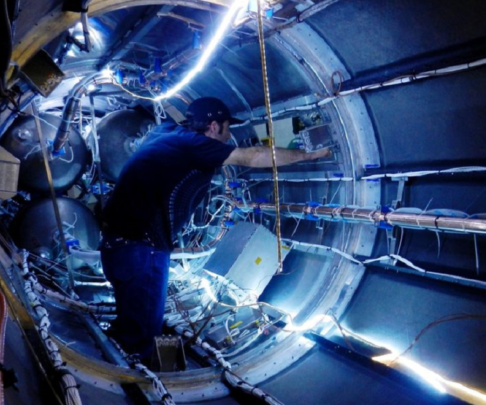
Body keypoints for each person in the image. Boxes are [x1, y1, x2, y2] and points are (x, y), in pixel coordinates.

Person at [100, 97, 329, 361]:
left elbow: (147, 110)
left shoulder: (166, 132)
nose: (229, 134)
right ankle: (136, 382)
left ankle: (119, 350)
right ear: (213, 126)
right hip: (142, 249)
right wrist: (311, 155)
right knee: (142, 334)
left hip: (117, 245)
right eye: (227, 127)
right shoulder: (195, 145)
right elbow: (253, 156)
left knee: (130, 319)